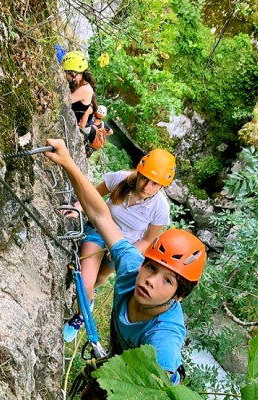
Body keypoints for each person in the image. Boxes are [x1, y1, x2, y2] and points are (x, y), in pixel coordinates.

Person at [44, 139, 207, 395]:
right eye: (152, 269)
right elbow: (99, 215)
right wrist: (67, 161)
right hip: (118, 366)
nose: (151, 280)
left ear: (179, 295)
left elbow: (163, 381)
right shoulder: (132, 268)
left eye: (168, 281)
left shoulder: (164, 336)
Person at [62, 147, 176, 342]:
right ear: (139, 172)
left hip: (124, 246)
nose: (146, 186)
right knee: (86, 281)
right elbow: (93, 195)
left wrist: (122, 250)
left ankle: (88, 299)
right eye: (144, 178)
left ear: (161, 187)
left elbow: (148, 240)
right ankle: (82, 314)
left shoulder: (160, 209)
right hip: (98, 232)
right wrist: (77, 208)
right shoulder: (120, 179)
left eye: (154, 184)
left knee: (99, 279)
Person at [61, 51, 96, 129]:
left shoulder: (86, 89)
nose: (64, 74)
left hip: (68, 124)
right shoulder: (77, 83)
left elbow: (64, 100)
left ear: (73, 73)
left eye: (65, 72)